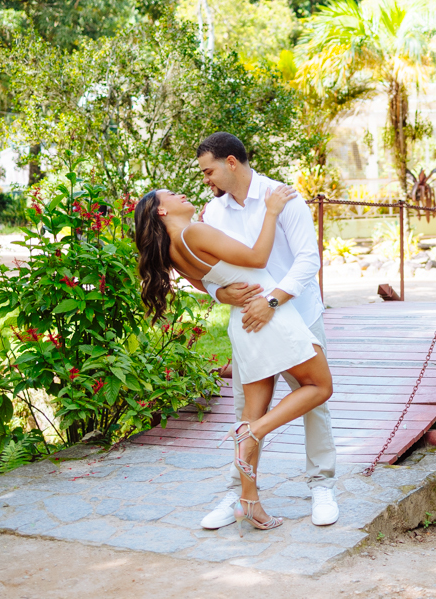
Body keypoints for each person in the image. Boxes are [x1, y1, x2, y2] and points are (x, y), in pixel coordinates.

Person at [133, 185, 334, 534]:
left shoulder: (172, 249)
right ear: (160, 211)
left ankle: (250, 502)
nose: (182, 194)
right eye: (170, 195)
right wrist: (271, 211)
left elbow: (206, 283)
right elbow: (257, 259)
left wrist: (221, 291)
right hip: (270, 316)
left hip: (246, 322)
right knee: (319, 387)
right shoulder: (194, 230)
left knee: (250, 411)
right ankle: (252, 434)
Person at [195, 132, 340, 529]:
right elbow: (210, 275)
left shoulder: (282, 197)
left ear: (230, 162)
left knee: (313, 401)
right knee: (247, 407)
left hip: (296, 311)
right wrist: (222, 293)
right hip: (249, 322)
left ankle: (321, 485)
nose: (205, 180)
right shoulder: (213, 213)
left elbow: (309, 260)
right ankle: (237, 492)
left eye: (208, 171)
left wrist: (272, 301)